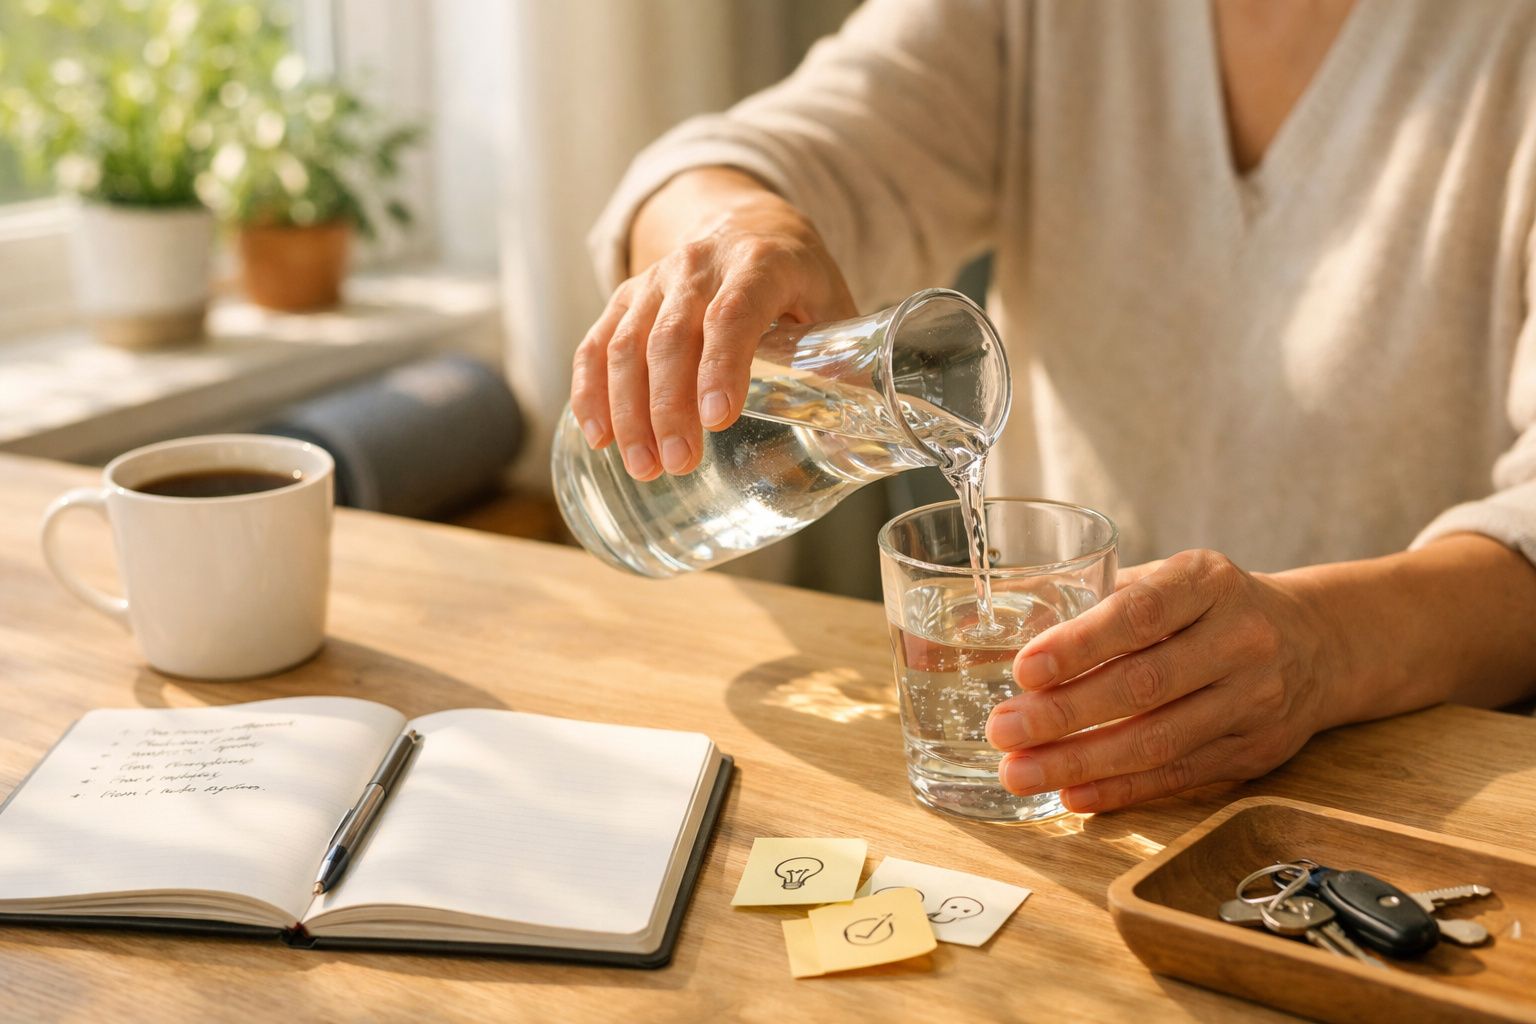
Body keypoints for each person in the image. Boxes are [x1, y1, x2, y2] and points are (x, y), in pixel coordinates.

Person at [569, 0, 1536, 812]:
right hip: (1061, 788)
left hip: (1414, 792)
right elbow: (756, 155)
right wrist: (739, 228)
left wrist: (1322, 647)